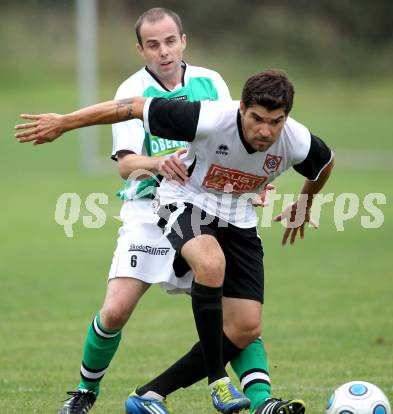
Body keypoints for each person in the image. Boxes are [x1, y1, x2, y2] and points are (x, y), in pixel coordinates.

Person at [16, 9, 306, 414]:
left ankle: (260, 401)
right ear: (140, 49)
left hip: (208, 207)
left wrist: (252, 183)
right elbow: (125, 164)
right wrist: (157, 163)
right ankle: (86, 391)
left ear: (183, 40)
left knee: (238, 315)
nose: (163, 51)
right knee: (116, 309)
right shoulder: (132, 89)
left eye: (170, 41)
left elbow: (235, 141)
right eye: (153, 44)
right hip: (149, 207)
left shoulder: (212, 81)